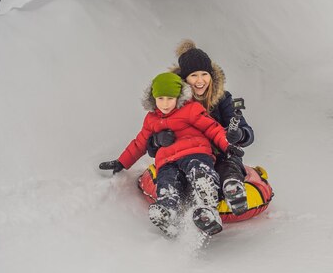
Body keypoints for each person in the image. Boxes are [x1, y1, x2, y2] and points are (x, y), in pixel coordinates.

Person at [99, 72, 244, 237]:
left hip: (194, 153)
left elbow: (212, 128)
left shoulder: (191, 109)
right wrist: (122, 162)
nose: (165, 104)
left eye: (170, 98)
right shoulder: (151, 119)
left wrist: (227, 145)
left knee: (200, 173)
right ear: (153, 99)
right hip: (167, 161)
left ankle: (208, 210)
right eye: (161, 99)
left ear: (179, 97)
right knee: (166, 182)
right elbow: (139, 143)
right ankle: (168, 212)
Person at [147, 39, 254, 216]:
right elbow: (149, 141)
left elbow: (247, 132)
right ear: (184, 79)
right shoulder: (173, 103)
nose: (200, 81)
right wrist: (157, 140)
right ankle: (174, 207)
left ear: (211, 76)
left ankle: (232, 188)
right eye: (193, 75)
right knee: (177, 173)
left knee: (228, 162)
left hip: (219, 154)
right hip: (187, 158)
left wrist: (239, 135)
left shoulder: (223, 99)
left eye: (204, 74)